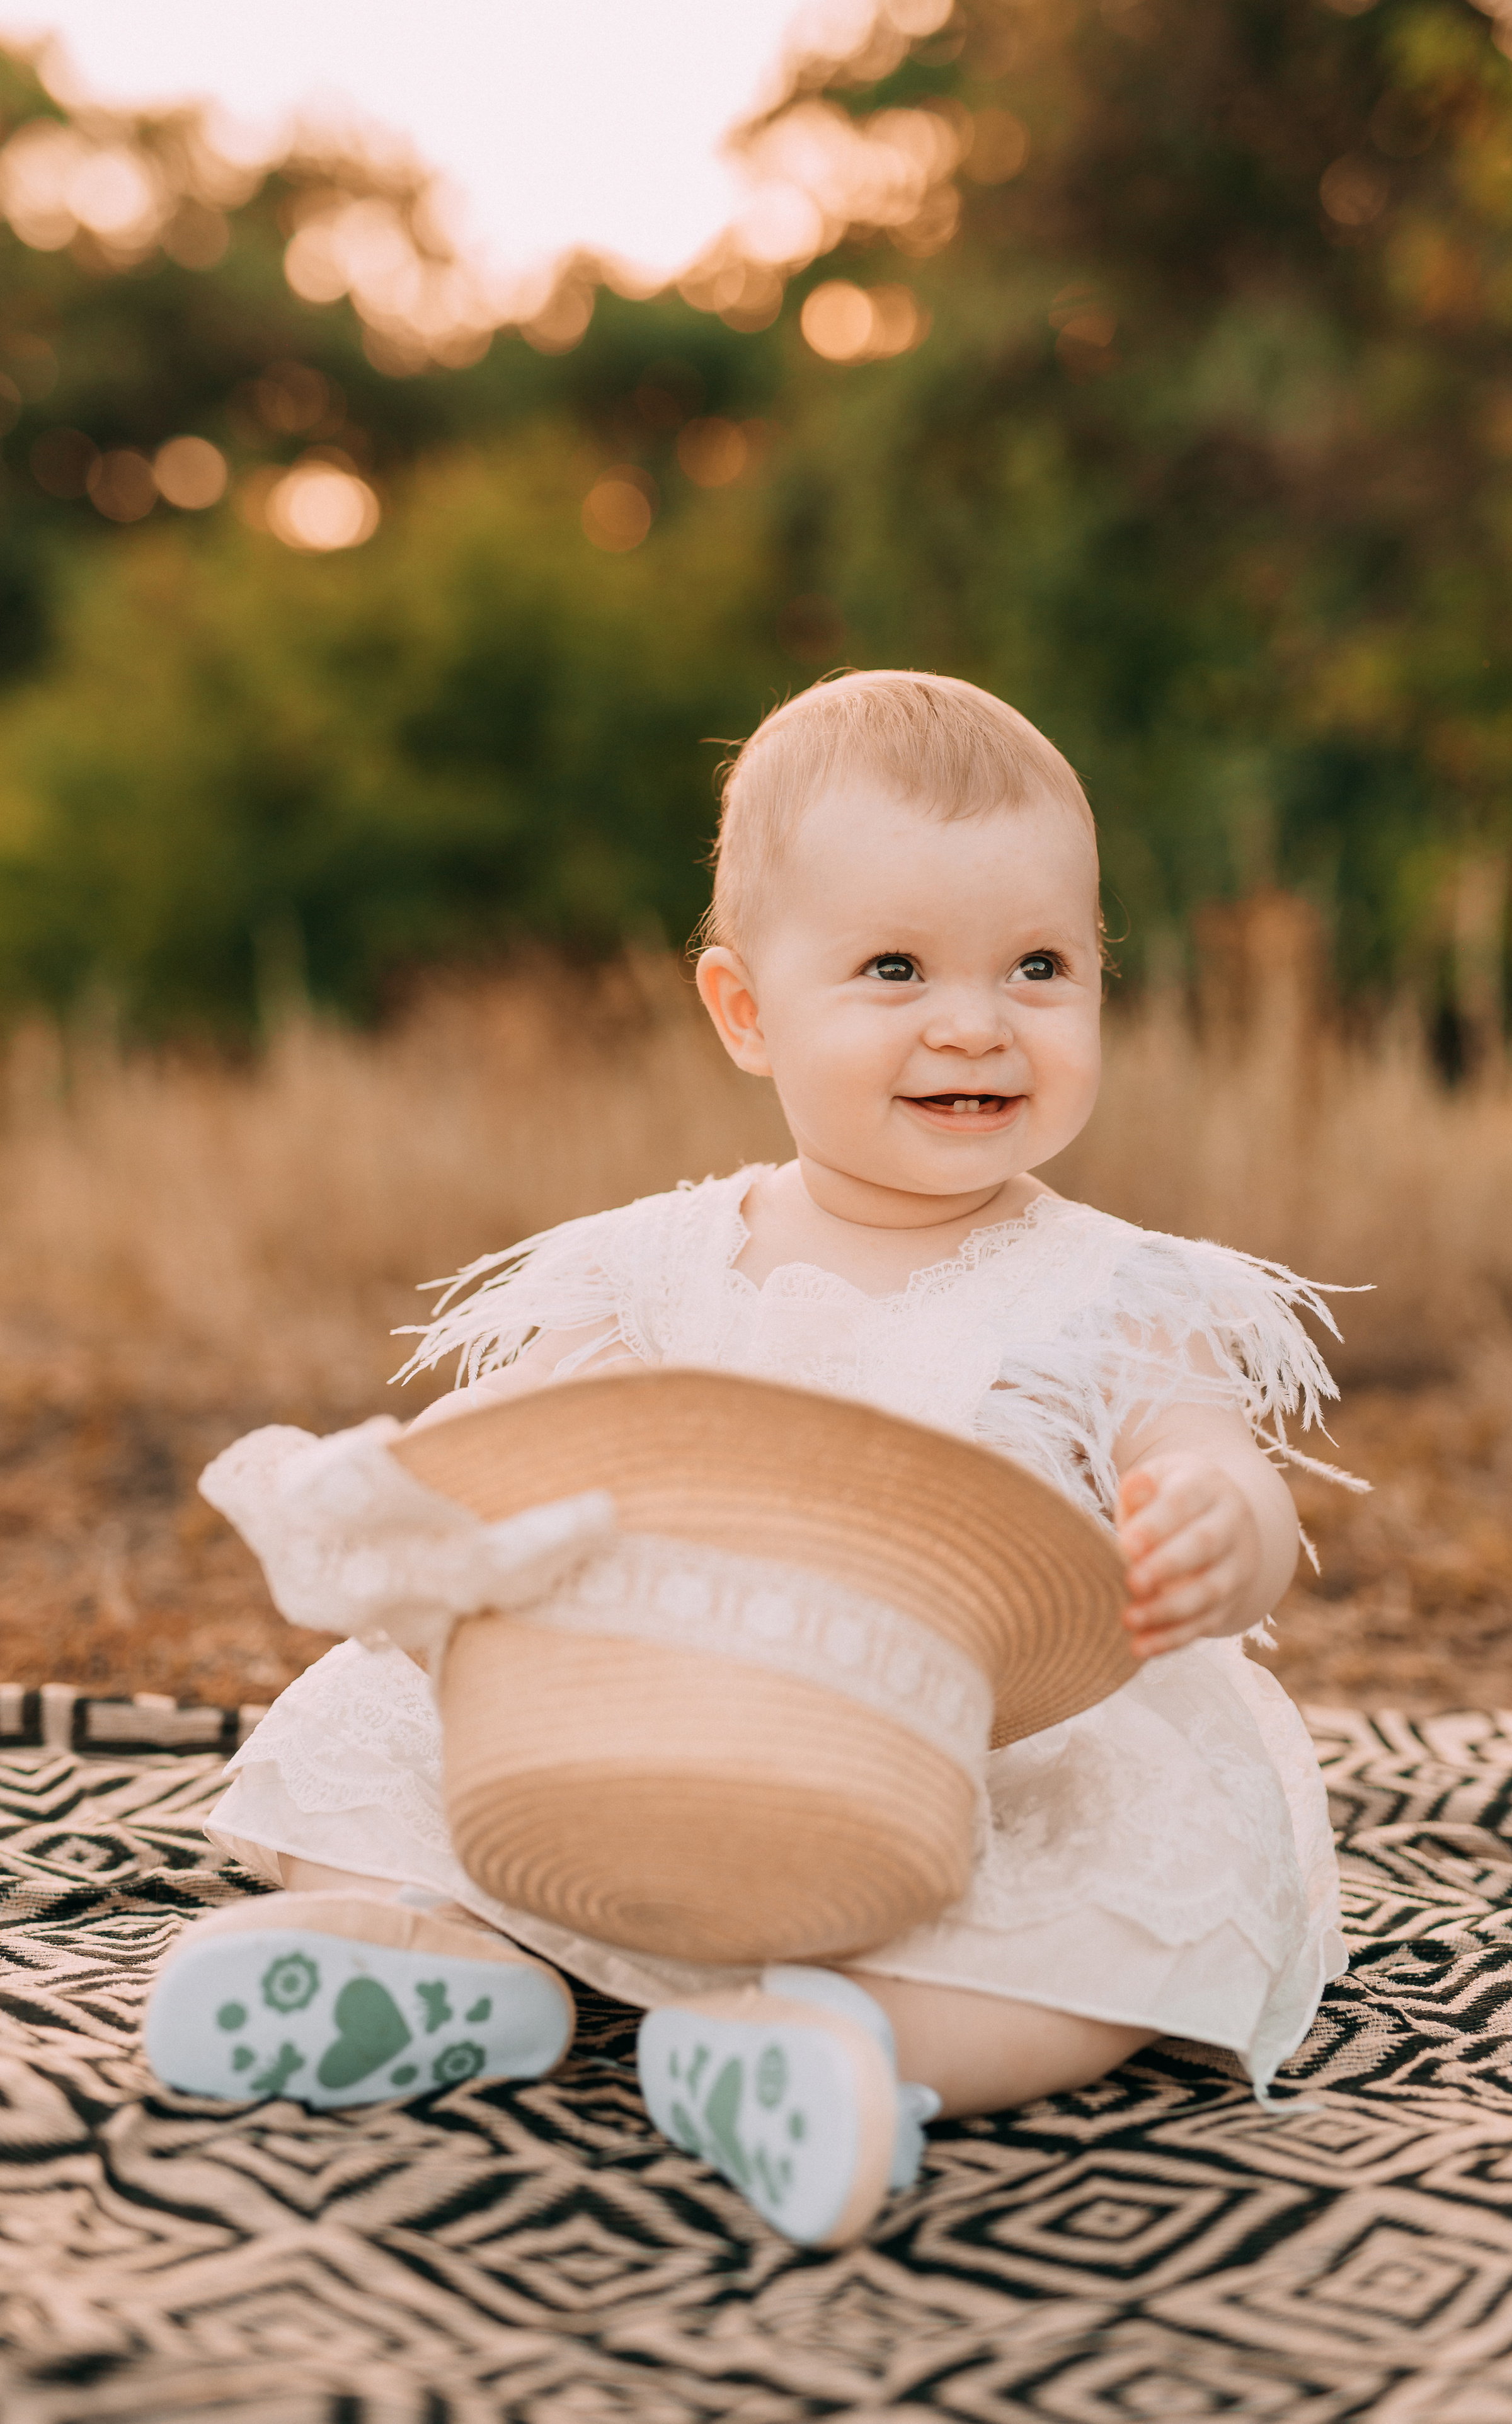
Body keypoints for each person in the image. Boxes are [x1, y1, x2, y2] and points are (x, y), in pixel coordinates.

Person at [144, 670, 1351, 2248]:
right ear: (744, 1011)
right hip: (641, 1724)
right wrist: (415, 1500)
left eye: (1040, 966)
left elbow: (1211, 1455)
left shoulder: (1118, 1290)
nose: (976, 1021)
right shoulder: (644, 1267)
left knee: (1136, 1899)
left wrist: (1221, 1527)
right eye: (895, 966)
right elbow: (511, 1455)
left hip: (962, 1765)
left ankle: (838, 2042)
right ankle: (452, 1962)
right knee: (376, 1734)